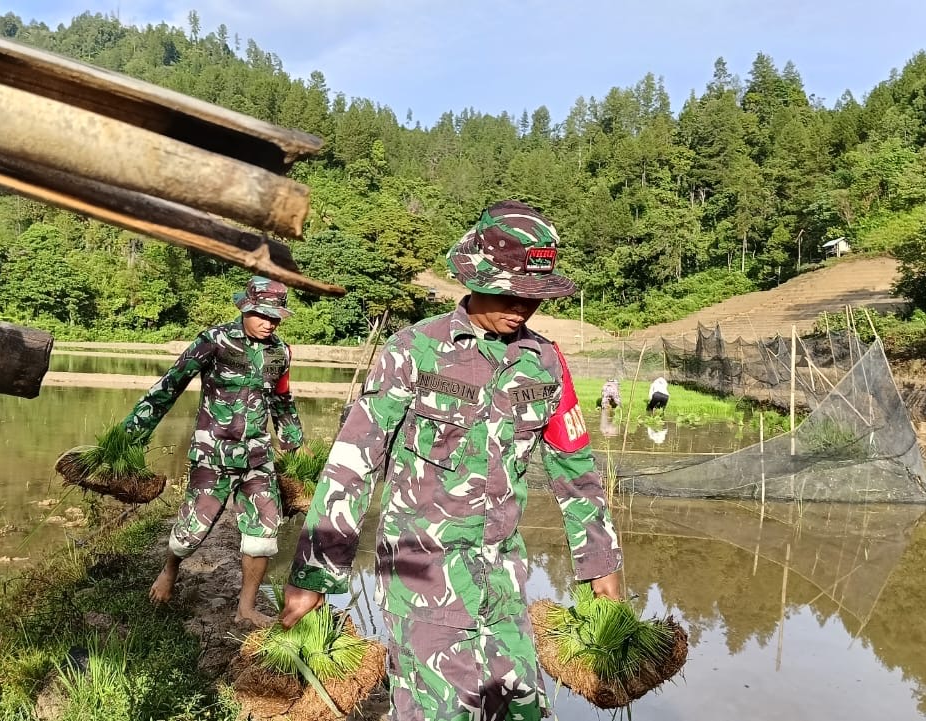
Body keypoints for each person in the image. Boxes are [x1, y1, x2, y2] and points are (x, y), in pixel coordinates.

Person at [280, 201, 624, 721]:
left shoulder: (547, 361)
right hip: (422, 576)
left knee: (522, 709)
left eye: (532, 297)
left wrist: (600, 563)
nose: (521, 307)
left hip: (503, 577)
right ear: (476, 277)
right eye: (509, 292)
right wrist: (315, 574)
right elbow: (353, 465)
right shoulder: (413, 351)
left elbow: (575, 469)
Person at [123, 276, 303, 627]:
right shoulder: (214, 341)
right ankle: (170, 568)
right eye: (263, 315)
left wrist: (295, 445)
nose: (270, 323)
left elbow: (282, 400)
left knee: (264, 532)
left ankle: (246, 608)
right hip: (213, 455)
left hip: (256, 458)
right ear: (245, 308)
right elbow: (170, 385)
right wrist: (131, 433)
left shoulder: (280, 352)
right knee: (192, 531)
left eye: (276, 317)